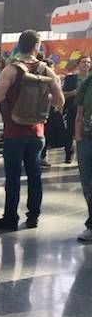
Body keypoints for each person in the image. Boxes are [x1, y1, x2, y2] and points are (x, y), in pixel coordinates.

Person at [0, 29, 64, 231]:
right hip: (37, 132)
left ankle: (10, 217)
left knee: (12, 176)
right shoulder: (47, 70)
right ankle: (34, 216)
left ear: (19, 45)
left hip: (14, 132)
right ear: (37, 46)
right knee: (34, 176)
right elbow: (59, 101)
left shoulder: (12, 69)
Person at [74, 68, 92, 241]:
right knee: (87, 183)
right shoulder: (88, 83)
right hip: (87, 139)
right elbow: (79, 112)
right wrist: (78, 137)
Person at [63, 56, 91, 165]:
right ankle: (68, 154)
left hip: (88, 111)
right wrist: (73, 93)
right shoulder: (71, 79)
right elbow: (63, 94)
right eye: (84, 62)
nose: (86, 64)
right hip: (73, 108)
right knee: (70, 131)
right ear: (78, 64)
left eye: (88, 62)